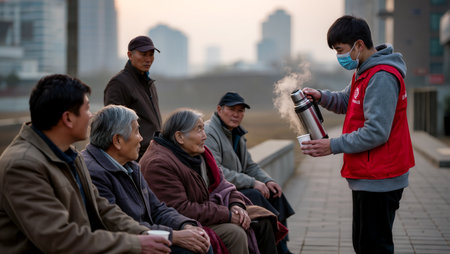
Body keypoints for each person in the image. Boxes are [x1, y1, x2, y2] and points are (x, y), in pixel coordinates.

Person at [0, 74, 171, 253]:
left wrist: (145, 234)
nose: (91, 116)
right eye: (86, 109)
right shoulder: (22, 166)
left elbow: (103, 208)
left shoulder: (71, 155)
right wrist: (136, 244)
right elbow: (60, 239)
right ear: (68, 119)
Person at [301, 15, 415, 254]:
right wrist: (321, 97)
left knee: (374, 247)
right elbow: (347, 100)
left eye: (341, 50)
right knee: (363, 244)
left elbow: (376, 132)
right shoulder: (364, 72)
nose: (339, 56)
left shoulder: (381, 77)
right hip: (369, 175)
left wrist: (331, 145)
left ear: (359, 45)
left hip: (381, 178)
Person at [140, 108, 285, 254]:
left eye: (204, 129)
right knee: (235, 233)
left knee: (263, 219)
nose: (205, 136)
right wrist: (227, 215)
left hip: (210, 210)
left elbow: (225, 185)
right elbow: (181, 209)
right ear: (179, 137)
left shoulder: (198, 153)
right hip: (185, 223)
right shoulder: (159, 163)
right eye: (199, 130)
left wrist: (236, 205)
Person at [81, 105, 212, 254]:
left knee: (200, 241)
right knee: (195, 249)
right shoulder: (94, 173)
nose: (141, 138)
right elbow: (120, 226)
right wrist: (172, 235)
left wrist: (185, 225)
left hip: (147, 234)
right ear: (117, 140)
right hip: (129, 245)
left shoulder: (131, 166)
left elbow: (157, 208)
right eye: (137, 131)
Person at [204, 92, 295, 254]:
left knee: (275, 193)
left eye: (240, 111)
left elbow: (250, 165)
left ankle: (283, 248)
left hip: (235, 187)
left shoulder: (236, 132)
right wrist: (252, 182)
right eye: (232, 109)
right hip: (221, 192)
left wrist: (267, 180)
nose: (236, 114)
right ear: (219, 109)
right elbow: (217, 171)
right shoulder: (210, 131)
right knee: (256, 195)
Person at [104, 35, 162, 160]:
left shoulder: (149, 83)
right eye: (143, 54)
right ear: (130, 55)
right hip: (135, 157)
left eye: (151, 54)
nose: (148, 59)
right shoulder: (118, 84)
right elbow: (113, 126)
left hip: (154, 153)